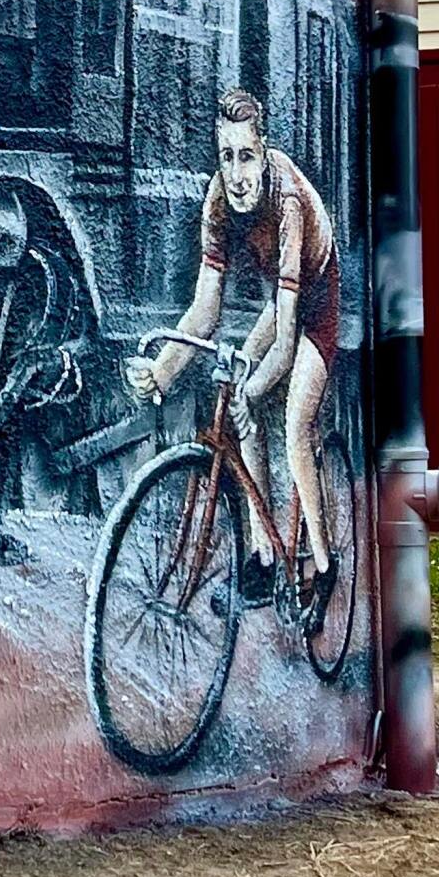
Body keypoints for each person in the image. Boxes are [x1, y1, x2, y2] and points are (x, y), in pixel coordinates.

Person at [125, 87, 340, 612]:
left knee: (292, 427)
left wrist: (257, 386)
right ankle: (265, 556)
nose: (237, 172)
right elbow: (204, 309)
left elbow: (287, 343)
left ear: (263, 153)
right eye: (227, 158)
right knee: (240, 403)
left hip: (315, 298)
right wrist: (163, 370)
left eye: (246, 156)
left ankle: (324, 561)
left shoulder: (286, 202)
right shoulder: (219, 201)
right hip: (280, 297)